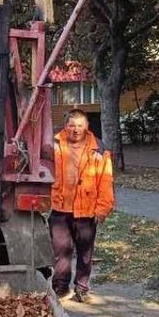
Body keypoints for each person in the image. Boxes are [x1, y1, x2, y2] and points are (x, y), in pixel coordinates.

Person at [47, 110, 115, 303]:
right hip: (60, 209)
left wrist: (102, 209)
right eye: (71, 125)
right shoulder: (53, 145)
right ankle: (60, 287)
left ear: (86, 127)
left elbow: (105, 181)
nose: (75, 130)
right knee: (61, 251)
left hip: (87, 211)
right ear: (65, 126)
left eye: (79, 125)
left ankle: (82, 288)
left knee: (85, 253)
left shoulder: (99, 149)